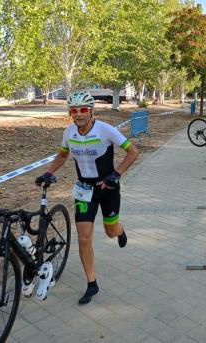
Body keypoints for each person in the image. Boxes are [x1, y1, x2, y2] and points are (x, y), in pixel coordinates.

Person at [35, 91, 138, 304]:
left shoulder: (106, 130)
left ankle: (120, 230)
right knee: (84, 237)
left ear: (91, 111)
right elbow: (63, 154)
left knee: (110, 231)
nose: (78, 114)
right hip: (84, 189)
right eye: (74, 110)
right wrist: (49, 172)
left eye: (83, 110)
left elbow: (133, 152)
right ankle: (92, 283)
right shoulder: (69, 132)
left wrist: (116, 174)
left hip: (108, 188)